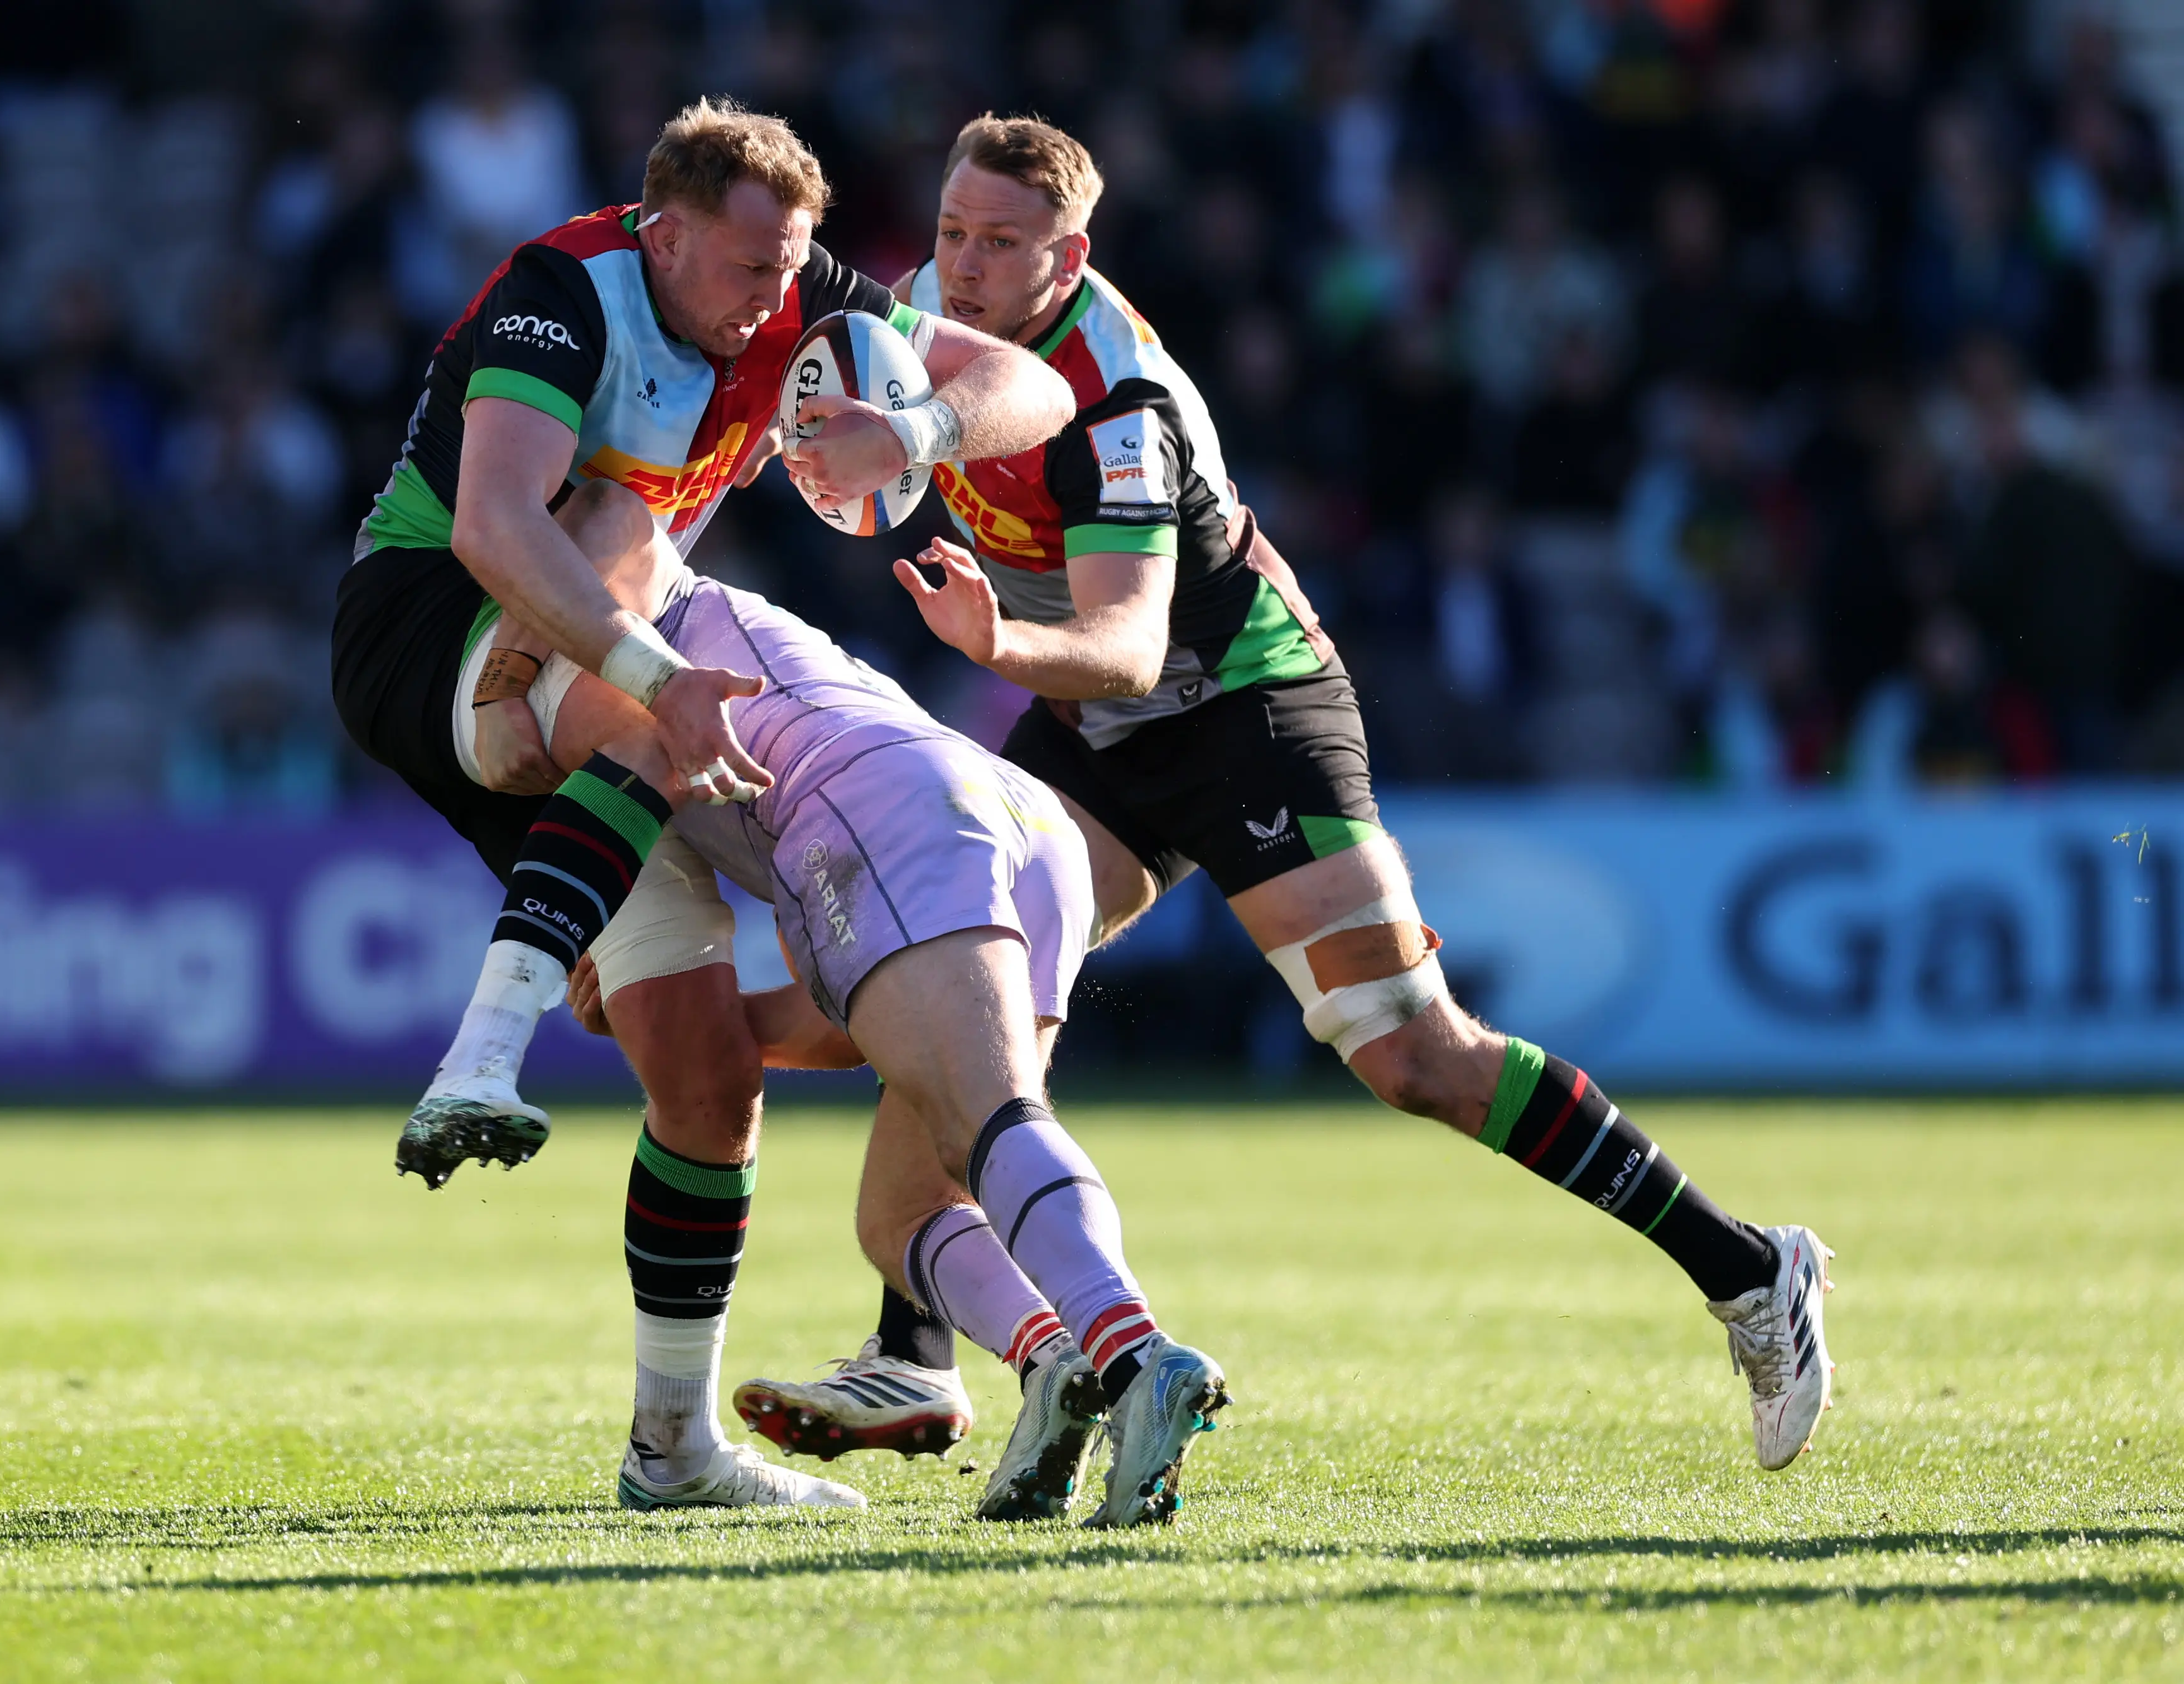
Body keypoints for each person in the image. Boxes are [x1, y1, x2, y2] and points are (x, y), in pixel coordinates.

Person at [729, 116, 1836, 1487]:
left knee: (1411, 1055)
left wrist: (993, 641)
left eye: (1000, 243)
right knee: (966, 981)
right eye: (951, 232)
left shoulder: (1119, 401)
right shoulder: (920, 326)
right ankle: (915, 1350)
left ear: (1069, 255)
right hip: (1092, 730)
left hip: (1240, 707)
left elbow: (1127, 645)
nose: (960, 266)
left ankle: (1750, 1271)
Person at [326, 99, 1078, 1510]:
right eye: (747, 268)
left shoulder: (793, 292)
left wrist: (915, 426)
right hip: (428, 629)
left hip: (583, 691)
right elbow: (494, 524)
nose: (772, 299)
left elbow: (1031, 390)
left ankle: (670, 1452)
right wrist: (656, 680)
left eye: (789, 267)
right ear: (662, 235)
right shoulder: (564, 291)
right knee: (629, 564)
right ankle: (480, 1057)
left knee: (709, 1080)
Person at [426, 480, 1230, 1526]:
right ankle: (1056, 1362)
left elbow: (609, 518)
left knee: (991, 1120)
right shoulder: (698, 623)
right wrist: (715, 1023)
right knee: (906, 1214)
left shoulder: (605, 578)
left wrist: (499, 686)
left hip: (889, 811)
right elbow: (852, 1025)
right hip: (1011, 818)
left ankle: (1136, 1352)